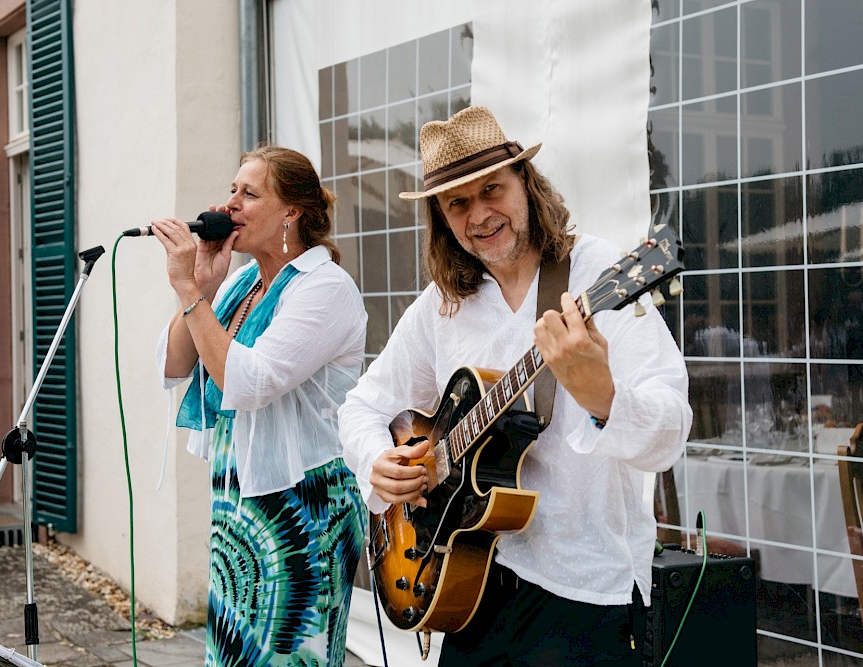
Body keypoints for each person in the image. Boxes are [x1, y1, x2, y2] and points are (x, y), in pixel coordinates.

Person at [338, 106, 693, 666]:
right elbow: (362, 405)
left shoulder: (598, 276)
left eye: (492, 190)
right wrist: (378, 458)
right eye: (458, 203)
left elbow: (670, 430)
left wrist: (602, 396)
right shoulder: (444, 305)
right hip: (470, 585)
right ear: (441, 218)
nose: (479, 214)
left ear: (526, 184)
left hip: (582, 592)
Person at [152, 145, 367, 667]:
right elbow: (175, 362)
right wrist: (201, 287)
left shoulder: (325, 289)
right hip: (240, 502)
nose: (230, 206)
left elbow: (246, 383)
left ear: (292, 212)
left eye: (249, 194)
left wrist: (188, 291)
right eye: (232, 190)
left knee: (289, 656)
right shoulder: (243, 282)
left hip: (301, 508)